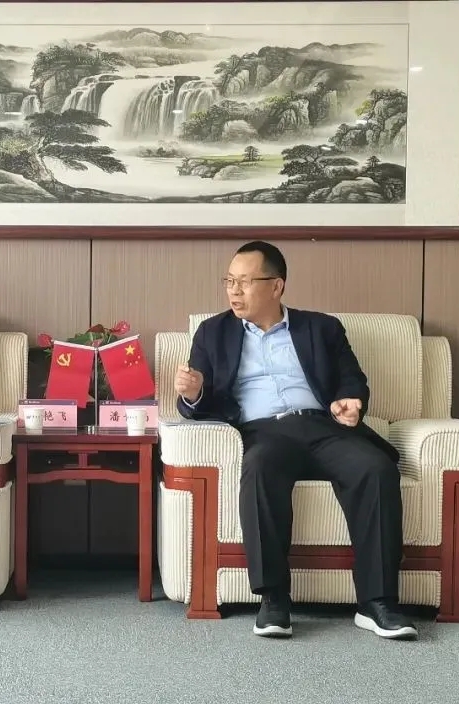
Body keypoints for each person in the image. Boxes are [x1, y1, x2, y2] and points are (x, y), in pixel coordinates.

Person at [174, 241, 416, 641]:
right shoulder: (213, 333)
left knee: (375, 468)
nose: (234, 291)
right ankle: (273, 600)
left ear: (276, 286)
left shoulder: (321, 328)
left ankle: (377, 603)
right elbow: (199, 403)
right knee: (259, 466)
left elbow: (351, 379)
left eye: (245, 281)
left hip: (324, 428)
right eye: (229, 281)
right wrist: (193, 392)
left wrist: (350, 402)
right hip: (264, 431)